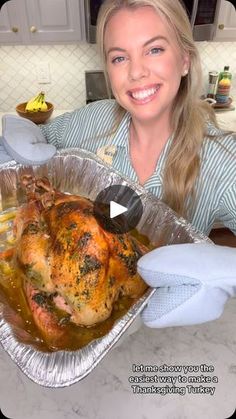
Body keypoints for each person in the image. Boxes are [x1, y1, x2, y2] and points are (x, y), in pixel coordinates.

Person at [0, 0, 235, 328]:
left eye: (154, 50)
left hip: (170, 343)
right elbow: (36, 141)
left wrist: (229, 271)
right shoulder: (93, 120)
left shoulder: (223, 164)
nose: (136, 72)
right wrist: (13, 138)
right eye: (119, 57)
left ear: (185, 59)